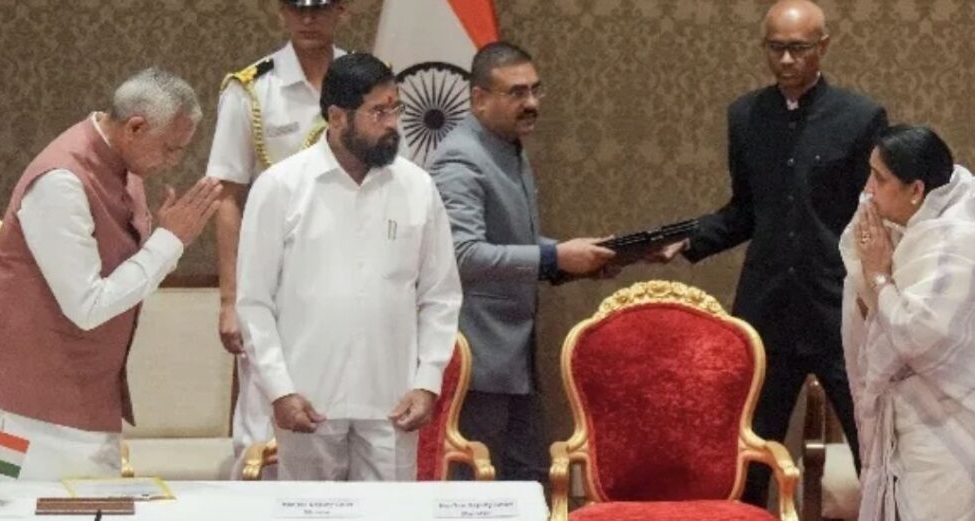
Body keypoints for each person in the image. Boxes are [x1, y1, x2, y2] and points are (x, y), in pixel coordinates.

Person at [653, 0, 887, 504]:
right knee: (752, 453)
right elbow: (745, 211)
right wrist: (689, 239)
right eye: (775, 48)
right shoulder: (745, 116)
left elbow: (872, 214)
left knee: (872, 449)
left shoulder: (861, 117)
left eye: (798, 49)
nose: (785, 60)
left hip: (839, 310)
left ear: (823, 47)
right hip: (768, 313)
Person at [0, 68, 220, 480]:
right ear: (135, 127)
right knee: (19, 508)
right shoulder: (60, 181)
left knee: (95, 506)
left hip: (87, 399)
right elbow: (87, 306)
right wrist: (169, 242)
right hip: (23, 411)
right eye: (170, 148)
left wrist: (162, 243)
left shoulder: (124, 167)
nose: (173, 161)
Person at [235, 52, 462, 481]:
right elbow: (254, 302)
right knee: (309, 512)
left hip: (392, 402)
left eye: (395, 109)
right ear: (338, 117)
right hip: (308, 401)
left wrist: (427, 381)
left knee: (391, 513)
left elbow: (441, 295)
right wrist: (279, 389)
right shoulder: (280, 187)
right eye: (378, 112)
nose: (393, 124)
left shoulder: (417, 187)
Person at [429, 42, 615, 482]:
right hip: (477, 361)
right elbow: (463, 254)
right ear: (479, 99)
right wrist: (555, 256)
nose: (531, 103)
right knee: (478, 491)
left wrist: (575, 259)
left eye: (535, 90)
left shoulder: (506, 145)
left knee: (528, 481)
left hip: (513, 358)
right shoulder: (461, 156)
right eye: (516, 93)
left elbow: (513, 242)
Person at [205, 0, 347, 470]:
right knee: (261, 431)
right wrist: (230, 299)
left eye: (320, 8)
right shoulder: (251, 88)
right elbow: (227, 197)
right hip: (272, 281)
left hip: (348, 276)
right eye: (296, 7)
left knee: (344, 423)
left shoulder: (365, 81)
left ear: (342, 10)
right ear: (280, 12)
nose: (308, 18)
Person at [841, 125, 975, 520]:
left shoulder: (959, 239)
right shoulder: (892, 226)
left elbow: (916, 335)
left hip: (959, 428)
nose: (867, 189)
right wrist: (873, 274)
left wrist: (878, 274)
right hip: (905, 416)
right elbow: (869, 313)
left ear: (916, 190)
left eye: (879, 178)